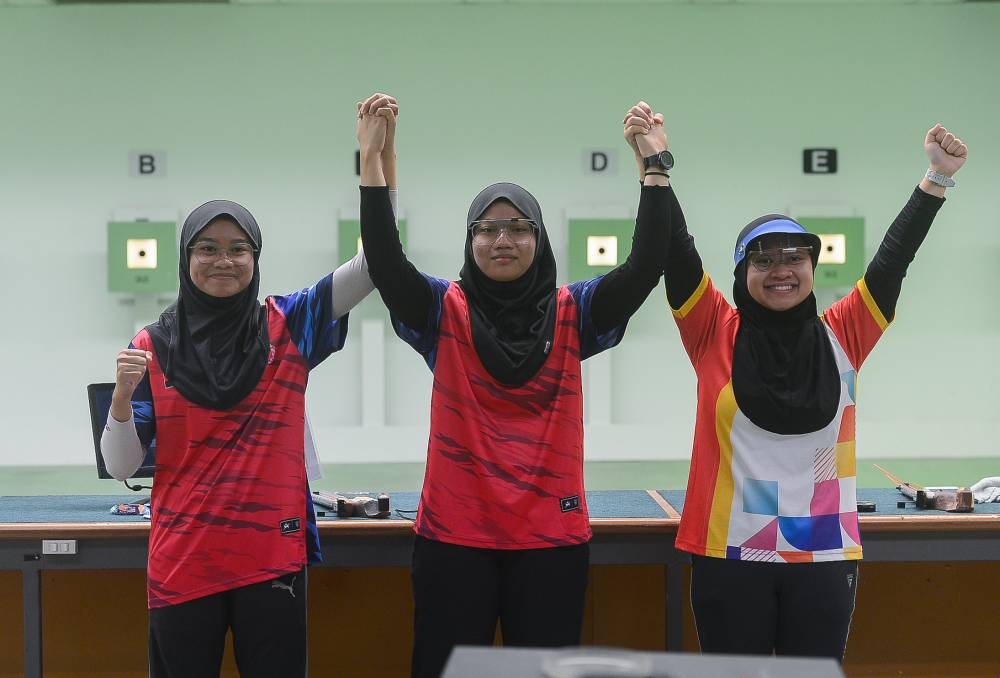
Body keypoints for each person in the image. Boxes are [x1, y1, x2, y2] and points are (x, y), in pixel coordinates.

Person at [623, 102, 967, 661]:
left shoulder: (846, 332)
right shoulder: (713, 329)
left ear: (812, 268)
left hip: (824, 555)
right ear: (741, 274)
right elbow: (676, 251)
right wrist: (655, 167)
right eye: (763, 260)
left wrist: (937, 178)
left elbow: (892, 260)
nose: (781, 269)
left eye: (794, 257)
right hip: (727, 550)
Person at [356, 94, 671, 678]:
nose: (504, 240)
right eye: (488, 229)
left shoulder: (575, 311)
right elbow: (384, 259)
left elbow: (647, 263)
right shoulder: (442, 309)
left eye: (519, 228)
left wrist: (654, 165)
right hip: (454, 542)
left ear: (540, 239)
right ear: (470, 242)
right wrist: (373, 161)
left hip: (550, 543)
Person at [100, 95, 399, 678]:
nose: (223, 261)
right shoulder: (151, 345)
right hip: (183, 563)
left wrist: (375, 158)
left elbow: (373, 264)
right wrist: (118, 399)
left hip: (271, 560)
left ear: (255, 258)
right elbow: (119, 467)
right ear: (186, 258)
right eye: (207, 248)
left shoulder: (289, 325)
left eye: (239, 249)